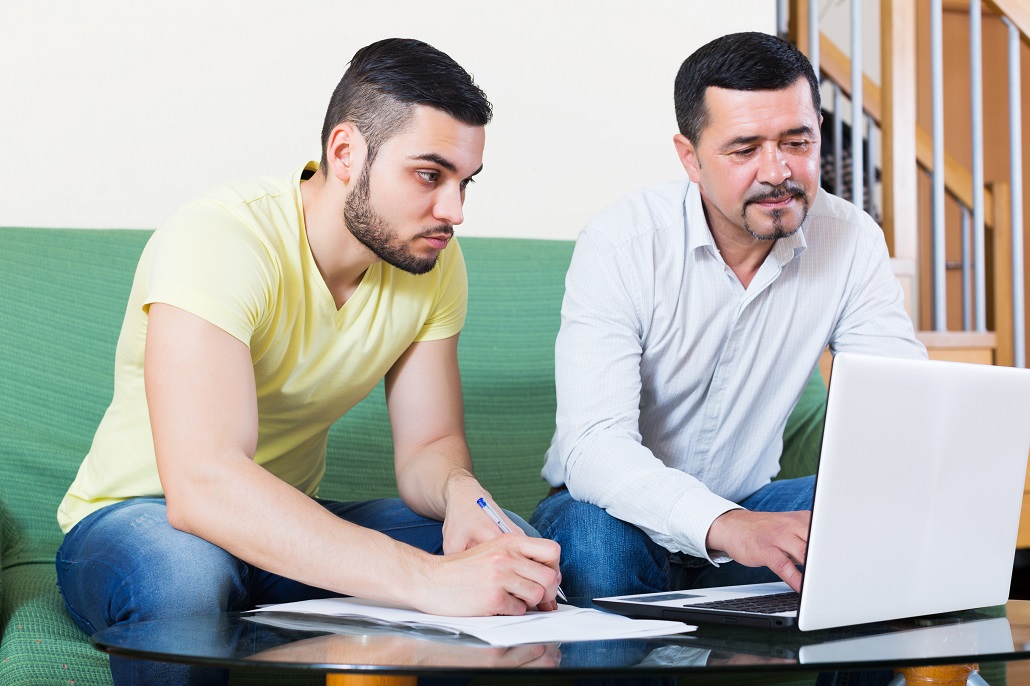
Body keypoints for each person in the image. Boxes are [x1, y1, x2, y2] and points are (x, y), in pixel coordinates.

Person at [55, 38, 560, 686]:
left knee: (505, 551)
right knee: (186, 575)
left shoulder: (432, 263)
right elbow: (204, 485)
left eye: (466, 182)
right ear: (346, 153)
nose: (454, 212)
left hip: (286, 525)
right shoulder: (221, 237)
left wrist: (462, 495)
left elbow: (429, 445)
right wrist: (427, 580)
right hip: (142, 517)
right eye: (430, 176)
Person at [530, 31, 926, 601]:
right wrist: (723, 525)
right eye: (744, 150)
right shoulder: (622, 243)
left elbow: (900, 403)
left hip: (752, 506)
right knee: (597, 548)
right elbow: (593, 449)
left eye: (798, 141)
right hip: (612, 513)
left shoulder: (851, 240)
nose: (778, 171)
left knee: (879, 516)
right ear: (689, 157)